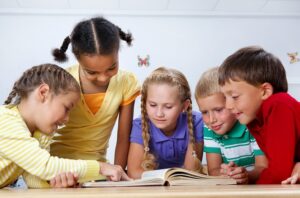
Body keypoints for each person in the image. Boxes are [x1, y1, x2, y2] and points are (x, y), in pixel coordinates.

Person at [0, 64, 130, 188]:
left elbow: (34, 179)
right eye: (66, 108)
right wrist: (101, 167)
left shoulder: (38, 134)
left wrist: (55, 184)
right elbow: (45, 166)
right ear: (44, 92)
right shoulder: (6, 120)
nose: (67, 119)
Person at [51, 17, 140, 169]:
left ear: (117, 53)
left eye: (111, 68)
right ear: (78, 60)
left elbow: (124, 137)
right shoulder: (62, 79)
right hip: (57, 165)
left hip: (98, 169)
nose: (103, 78)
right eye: (92, 72)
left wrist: (117, 173)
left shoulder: (126, 82)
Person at [218, 46, 300, 184]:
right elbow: (284, 169)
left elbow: (280, 173)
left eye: (234, 96)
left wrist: (251, 188)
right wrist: (246, 178)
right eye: (225, 98)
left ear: (264, 91)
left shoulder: (279, 104)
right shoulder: (254, 120)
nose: (228, 106)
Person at [127, 67, 204, 179]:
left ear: (184, 106)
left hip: (183, 189)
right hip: (153, 190)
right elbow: (134, 173)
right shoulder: (140, 125)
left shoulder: (196, 121)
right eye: (153, 105)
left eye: (168, 107)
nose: (159, 114)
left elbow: (191, 171)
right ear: (145, 103)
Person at [195, 67, 267, 184]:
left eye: (218, 110)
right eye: (204, 112)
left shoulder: (251, 124)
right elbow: (213, 170)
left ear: (232, 102)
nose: (212, 119)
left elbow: (263, 167)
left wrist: (246, 175)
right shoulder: (209, 129)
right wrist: (225, 173)